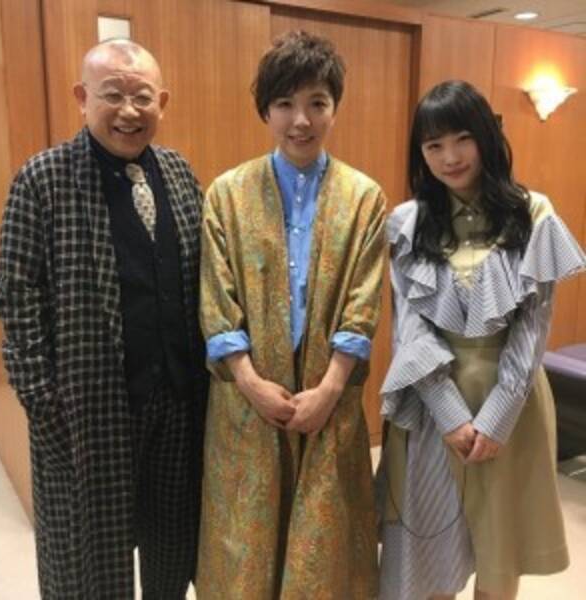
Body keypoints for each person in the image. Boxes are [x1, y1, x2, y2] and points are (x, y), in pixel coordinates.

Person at [0, 39, 208, 599]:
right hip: (86, 411)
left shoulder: (178, 172)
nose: (128, 111)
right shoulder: (43, 178)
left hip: (177, 405)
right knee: (90, 565)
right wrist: (44, 401)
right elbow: (15, 296)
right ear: (82, 98)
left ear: (162, 102)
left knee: (171, 551)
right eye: (112, 95)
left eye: (142, 97)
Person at [376, 79, 586, 600]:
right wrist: (451, 415)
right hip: (433, 402)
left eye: (462, 139)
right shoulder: (407, 221)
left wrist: (496, 418)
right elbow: (410, 328)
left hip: (511, 406)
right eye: (434, 145)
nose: (449, 157)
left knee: (499, 556)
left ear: (486, 138)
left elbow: (532, 329)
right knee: (428, 558)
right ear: (420, 153)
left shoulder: (533, 213)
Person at [196, 30, 386, 599]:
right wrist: (251, 383)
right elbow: (217, 299)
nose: (301, 120)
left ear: (335, 107)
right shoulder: (227, 193)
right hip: (248, 399)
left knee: (323, 545)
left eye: (317, 103)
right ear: (266, 110)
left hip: (328, 398)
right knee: (245, 545)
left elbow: (363, 303)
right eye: (285, 103)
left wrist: (329, 389)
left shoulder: (364, 197)